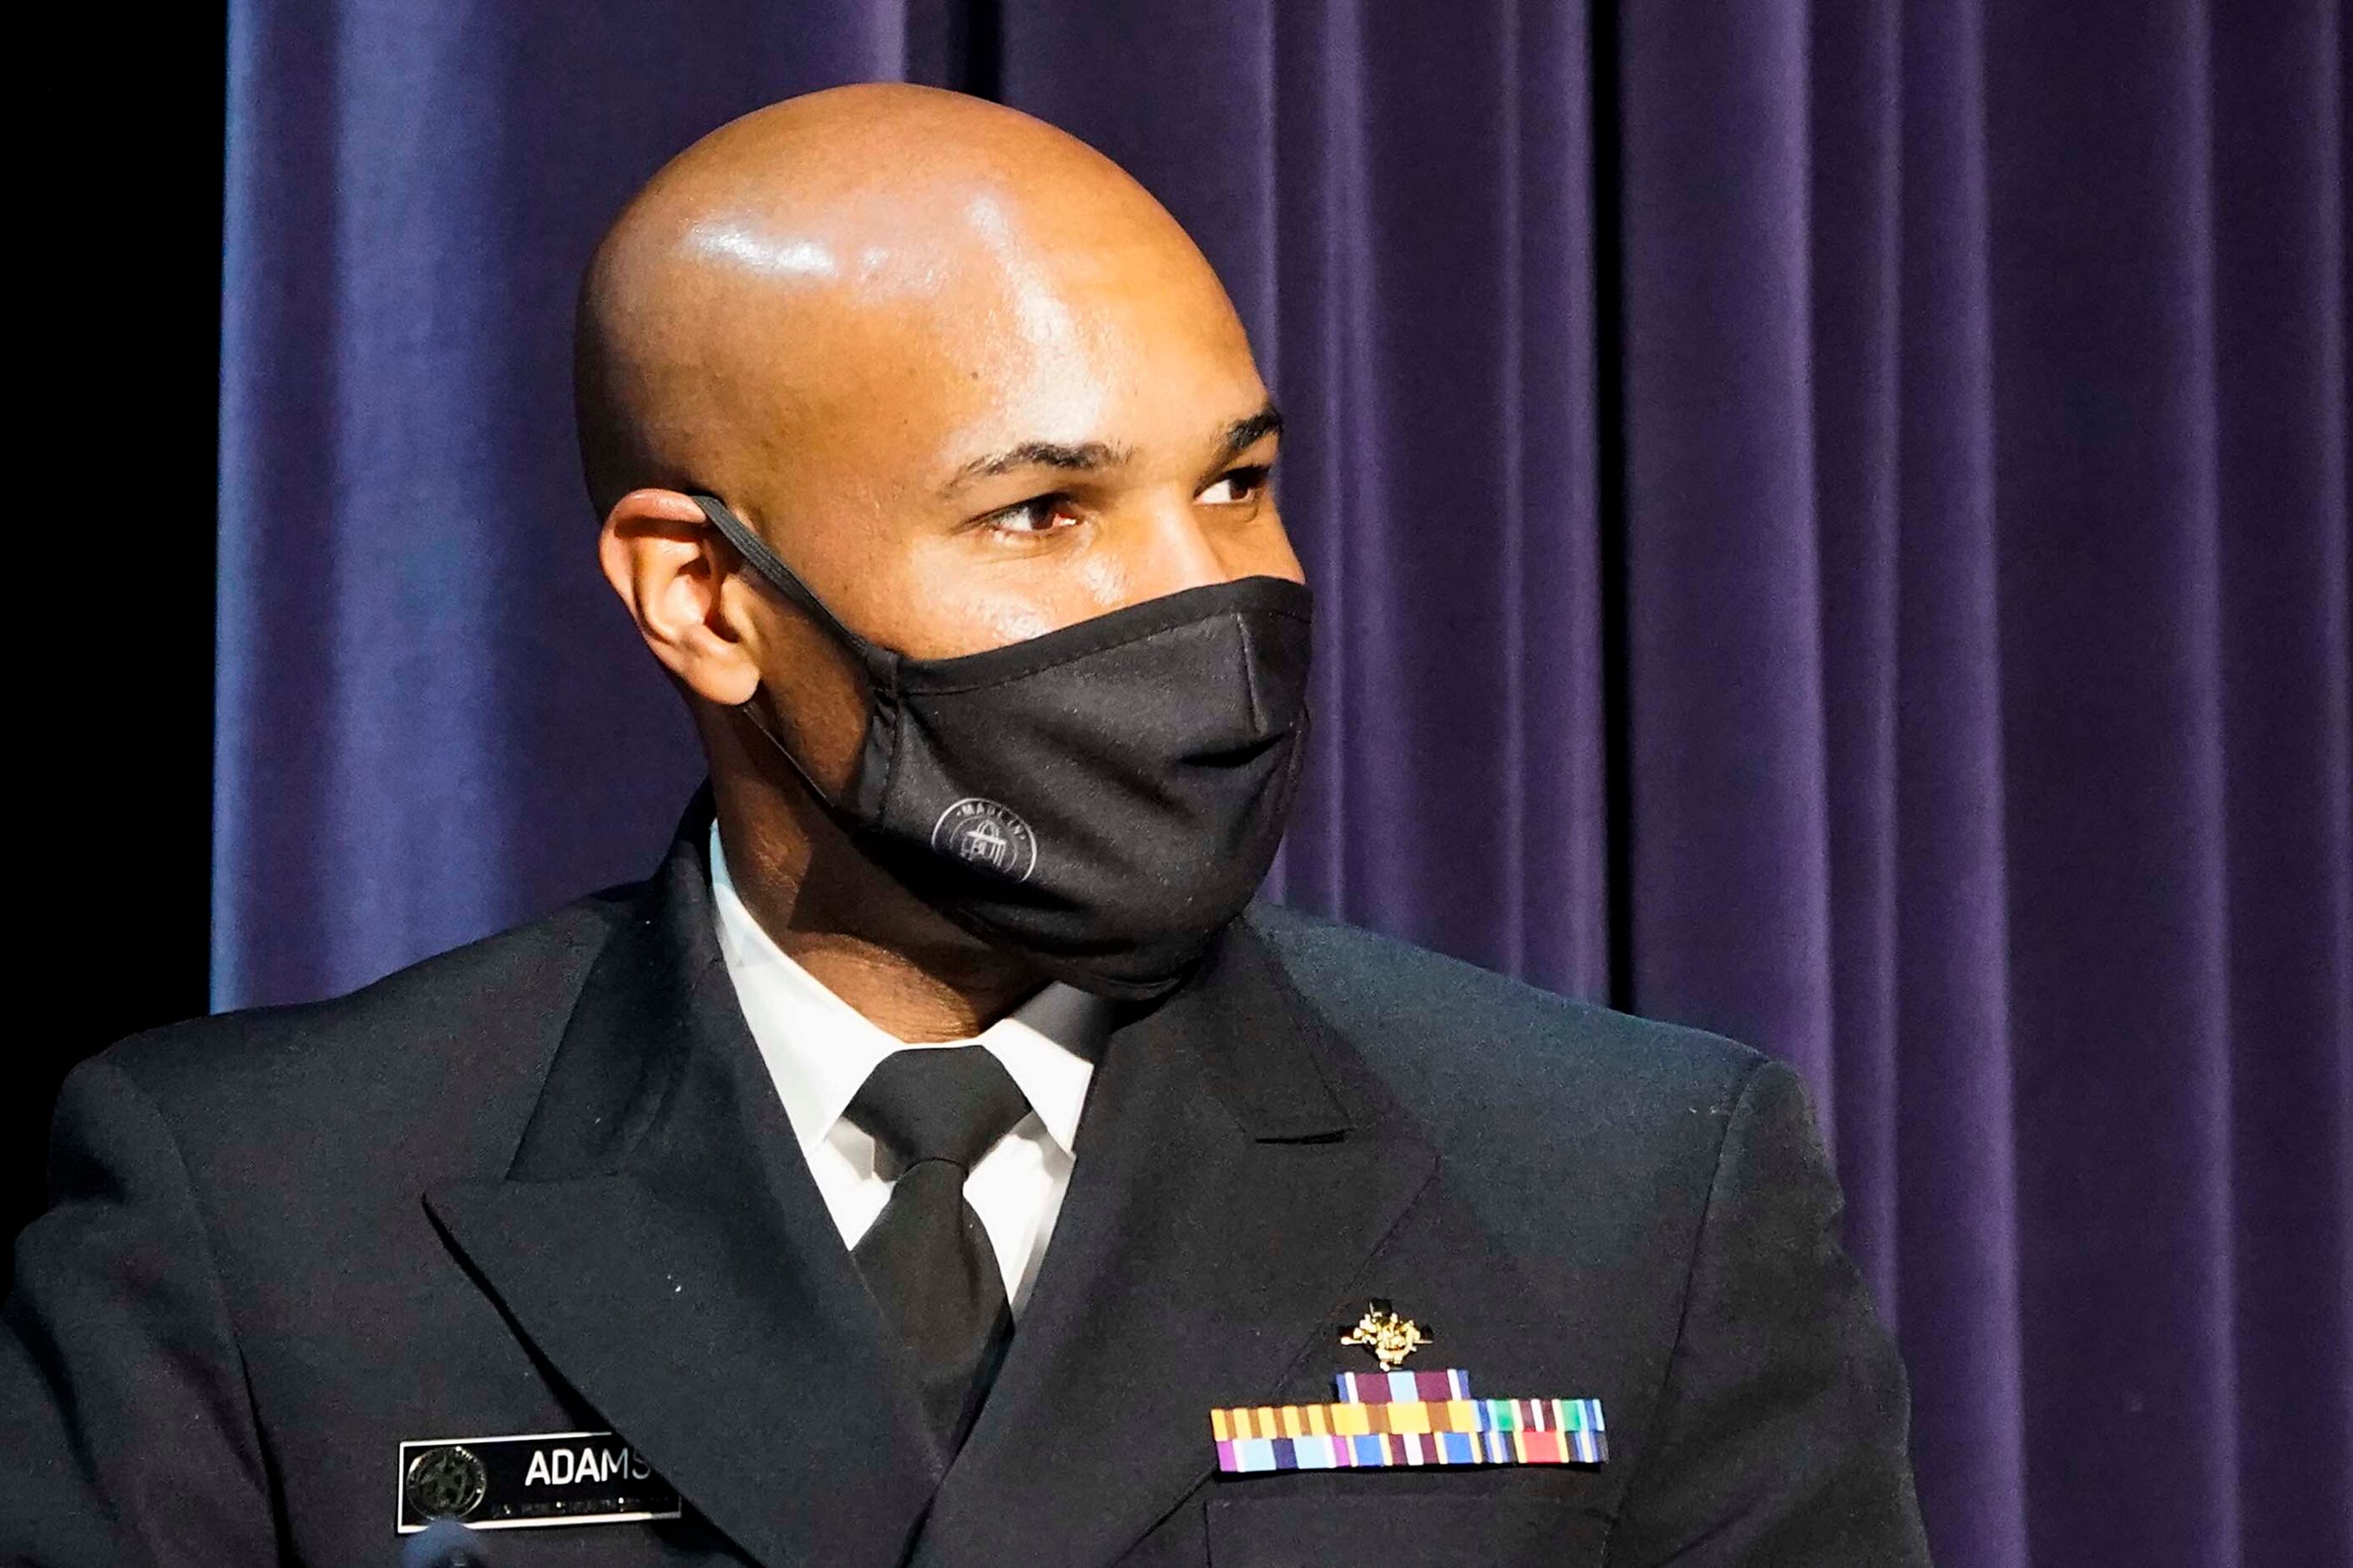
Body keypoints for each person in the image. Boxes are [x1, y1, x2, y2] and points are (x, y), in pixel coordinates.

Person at [3, 84, 1929, 1566]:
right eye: (1044, 515)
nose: (1208, 617)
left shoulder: (1625, 1183)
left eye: (1238, 485)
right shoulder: (260, 1215)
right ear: (702, 596)